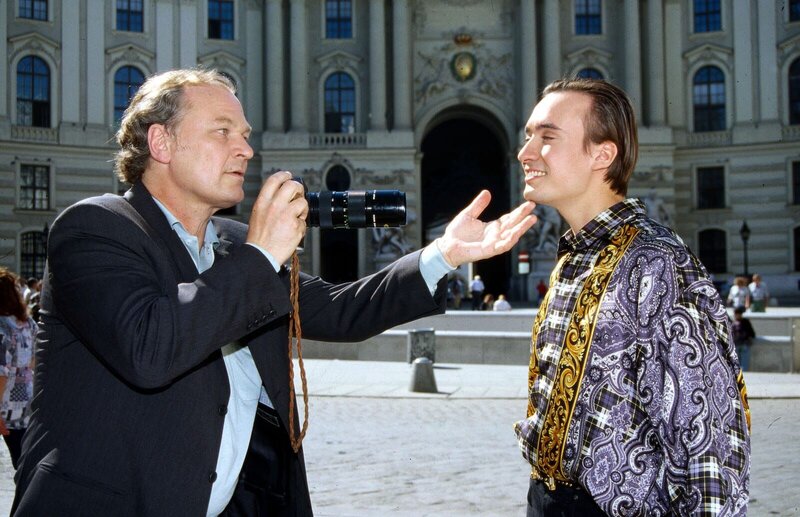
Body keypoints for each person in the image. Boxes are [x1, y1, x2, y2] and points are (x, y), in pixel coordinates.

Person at [12, 68, 536, 517]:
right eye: (223, 131)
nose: (246, 148)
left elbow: (341, 311)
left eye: (245, 134)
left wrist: (444, 254)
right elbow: (150, 349)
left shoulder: (234, 243)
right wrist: (261, 255)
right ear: (161, 143)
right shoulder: (95, 228)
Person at [513, 78, 750, 516]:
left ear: (602, 154)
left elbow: (710, 446)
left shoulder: (658, 263)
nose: (525, 153)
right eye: (528, 136)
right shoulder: (573, 258)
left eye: (547, 137)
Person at [0, 268, 36, 470]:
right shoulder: (27, 323)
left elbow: (1, 373)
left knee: (21, 463)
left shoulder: (2, 328)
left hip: (6, 406)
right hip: (27, 401)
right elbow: (35, 360)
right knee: (24, 461)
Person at [731, 306, 756, 371]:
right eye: (735, 314)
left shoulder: (745, 322)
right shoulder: (733, 323)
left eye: (737, 314)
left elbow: (752, 334)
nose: (735, 315)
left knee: (744, 363)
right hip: (736, 345)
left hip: (744, 344)